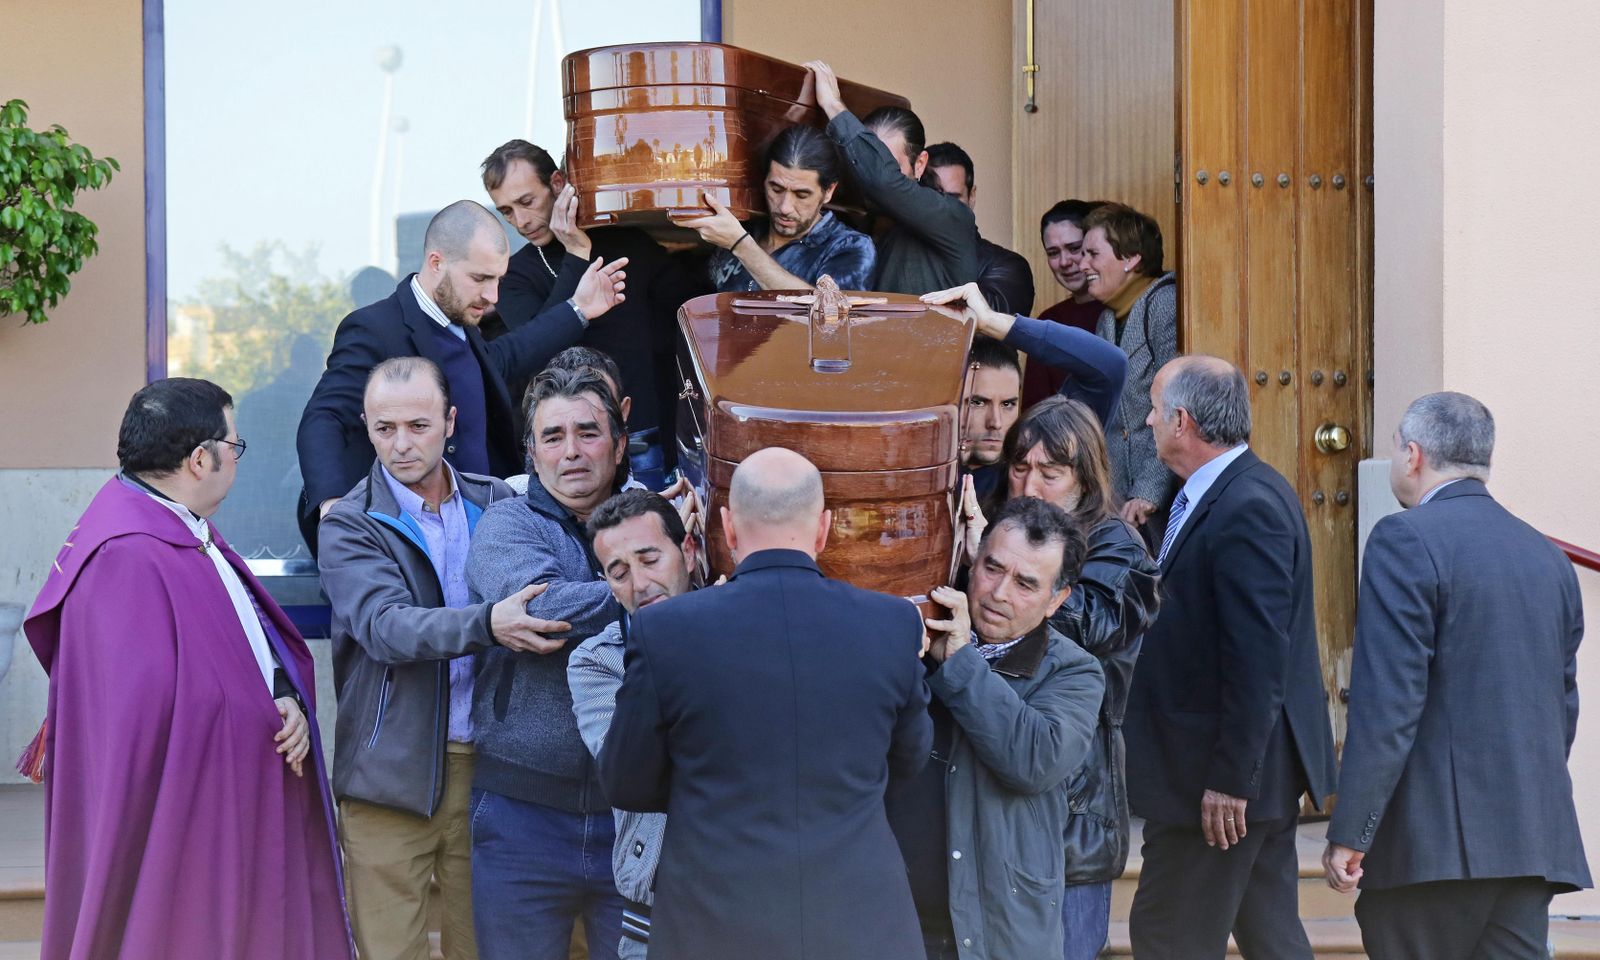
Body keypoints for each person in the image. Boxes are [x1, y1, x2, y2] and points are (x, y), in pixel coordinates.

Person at [22, 378, 352, 959]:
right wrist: (256, 712)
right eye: (235, 445)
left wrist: (284, 694)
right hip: (181, 822)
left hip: (228, 796)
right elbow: (143, 716)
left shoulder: (176, 527)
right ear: (201, 459)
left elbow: (242, 638)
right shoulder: (126, 555)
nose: (237, 458)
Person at [599, 447, 932, 960]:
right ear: (823, 530)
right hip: (859, 921)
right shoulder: (893, 624)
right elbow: (909, 760)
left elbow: (627, 781)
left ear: (729, 529)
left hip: (714, 921)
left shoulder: (665, 631)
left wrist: (705, 787)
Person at [317, 357, 575, 960]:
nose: (401, 444)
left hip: (492, 770)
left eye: (418, 425)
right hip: (388, 776)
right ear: (366, 426)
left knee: (484, 949)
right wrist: (490, 624)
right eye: (385, 429)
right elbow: (385, 627)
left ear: (450, 422)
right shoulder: (349, 522)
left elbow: (583, 518)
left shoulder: (499, 501)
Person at [1323, 392, 1590, 958]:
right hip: (1530, 842)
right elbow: (1561, 707)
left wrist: (1352, 829)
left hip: (1430, 849)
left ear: (1413, 455)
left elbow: (1389, 703)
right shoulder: (1547, 557)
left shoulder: (1404, 538)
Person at [1122, 356, 1336, 960]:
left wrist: (1230, 779)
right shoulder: (1224, 492)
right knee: (1271, 938)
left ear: (1182, 421)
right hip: (1237, 778)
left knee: (1168, 936)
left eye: (1155, 410)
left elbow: (1257, 658)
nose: (1147, 421)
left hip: (1218, 785)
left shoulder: (1248, 505)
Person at [296, 199, 628, 550]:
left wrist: (579, 309)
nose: (492, 295)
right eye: (480, 278)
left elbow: (507, 356)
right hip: (410, 543)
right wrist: (333, 507)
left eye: (498, 280)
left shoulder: (461, 325)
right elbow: (325, 416)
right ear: (436, 262)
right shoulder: (375, 328)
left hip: (480, 533)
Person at [955, 395, 1160, 960]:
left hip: (1072, 811)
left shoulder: (1117, 543)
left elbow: (1091, 626)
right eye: (1020, 467)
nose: (1029, 485)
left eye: (1051, 472)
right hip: (981, 801)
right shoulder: (991, 533)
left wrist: (995, 571)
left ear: (1084, 478)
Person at [888, 496, 1104, 959]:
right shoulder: (915, 632)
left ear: (1057, 600)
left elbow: (1033, 760)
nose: (1000, 593)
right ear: (972, 559)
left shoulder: (1074, 671)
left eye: (1026, 584)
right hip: (894, 926)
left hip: (1000, 935)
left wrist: (961, 661)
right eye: (992, 567)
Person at [464, 365, 630, 960]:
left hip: (635, 816)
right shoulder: (506, 524)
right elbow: (544, 609)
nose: (572, 452)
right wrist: (651, 591)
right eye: (553, 437)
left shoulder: (647, 519)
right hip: (519, 817)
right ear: (531, 454)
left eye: (588, 432)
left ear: (619, 443)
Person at [482, 140, 700, 489]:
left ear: (557, 184)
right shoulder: (514, 276)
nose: (520, 221)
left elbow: (691, 312)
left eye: (527, 202)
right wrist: (576, 254)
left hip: (645, 438)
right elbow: (541, 352)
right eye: (506, 211)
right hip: (567, 449)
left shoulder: (627, 243)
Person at [568, 490, 702, 959]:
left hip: (750, 895)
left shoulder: (745, 633)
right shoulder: (595, 660)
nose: (640, 583)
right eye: (619, 572)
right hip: (653, 909)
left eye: (650, 559)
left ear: (688, 552)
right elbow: (636, 773)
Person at [921, 281, 1128, 501]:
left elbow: (1109, 365)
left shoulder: (1037, 461)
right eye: (978, 402)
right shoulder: (922, 470)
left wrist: (991, 322)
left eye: (1008, 404)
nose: (996, 422)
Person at [805, 60, 979, 295]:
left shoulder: (952, 217)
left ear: (920, 164)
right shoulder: (853, 225)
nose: (869, 171)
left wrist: (833, 105)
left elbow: (882, 182)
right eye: (866, 161)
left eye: (890, 166)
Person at [1077, 202, 1178, 543]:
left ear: (1131, 258)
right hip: (1122, 504)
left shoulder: (1164, 304)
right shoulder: (1107, 319)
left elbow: (1176, 406)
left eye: (1093, 253)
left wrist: (1150, 489)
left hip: (1157, 503)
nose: (1082, 264)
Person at [678, 123, 876, 292]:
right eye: (776, 189)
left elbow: (829, 315)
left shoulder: (850, 247)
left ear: (828, 191)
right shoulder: (747, 228)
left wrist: (741, 246)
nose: (785, 207)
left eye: (802, 195)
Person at [925, 141, 1034, 315]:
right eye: (932, 197)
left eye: (953, 198)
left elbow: (989, 323)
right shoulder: (894, 252)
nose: (944, 208)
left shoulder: (1007, 266)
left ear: (972, 196)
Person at [1025, 199, 1106, 408]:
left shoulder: (1124, 311)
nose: (1064, 262)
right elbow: (1035, 413)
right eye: (1053, 253)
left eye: (1074, 248)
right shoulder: (1047, 323)